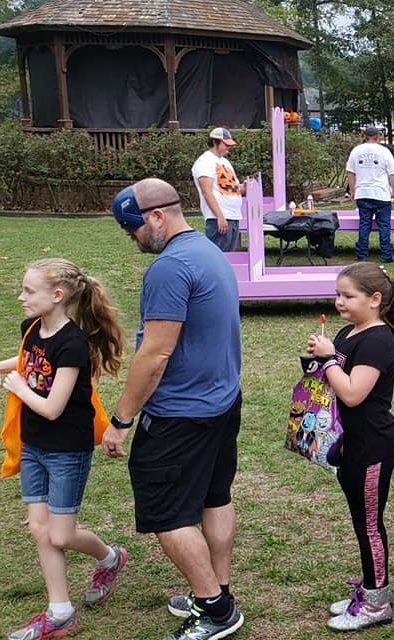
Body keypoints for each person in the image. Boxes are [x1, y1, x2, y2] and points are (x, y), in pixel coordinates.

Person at [105, 179, 244, 640]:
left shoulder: (169, 268)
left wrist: (121, 421)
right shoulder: (208, 251)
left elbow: (155, 354)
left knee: (168, 513)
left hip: (180, 415)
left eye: (132, 228)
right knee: (214, 497)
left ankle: (215, 610)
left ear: (157, 217)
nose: (132, 238)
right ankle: (219, 592)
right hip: (221, 402)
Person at [2, 259, 128, 640]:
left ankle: (110, 557)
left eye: (29, 291)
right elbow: (28, 359)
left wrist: (20, 387)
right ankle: (60, 612)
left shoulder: (74, 345)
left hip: (66, 451)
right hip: (33, 445)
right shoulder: (31, 329)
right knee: (40, 530)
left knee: (60, 535)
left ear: (57, 296)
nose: (21, 297)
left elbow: (53, 408)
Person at [304, 263, 394, 631]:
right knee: (361, 521)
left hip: (372, 447)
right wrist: (320, 359)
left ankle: (378, 602)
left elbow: (352, 393)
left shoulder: (378, 340)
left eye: (348, 296)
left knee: (369, 526)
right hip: (350, 444)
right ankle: (368, 588)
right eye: (338, 295)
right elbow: (336, 379)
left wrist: (329, 358)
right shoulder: (349, 331)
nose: (339, 302)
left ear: (375, 299)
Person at [347, 125, 394, 263]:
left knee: (364, 224)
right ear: (378, 137)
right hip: (381, 193)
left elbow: (351, 173)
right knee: (384, 225)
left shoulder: (356, 151)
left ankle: (362, 254)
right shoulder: (384, 151)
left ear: (364, 137)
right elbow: (393, 174)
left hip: (363, 192)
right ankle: (386, 254)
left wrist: (352, 191)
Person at [192, 127, 246, 252]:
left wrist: (245, 187)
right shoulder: (205, 162)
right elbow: (207, 192)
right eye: (225, 144)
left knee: (230, 257)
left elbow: (235, 188)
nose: (228, 147)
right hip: (219, 219)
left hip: (233, 217)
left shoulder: (225, 162)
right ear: (215, 142)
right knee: (219, 255)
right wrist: (220, 217)